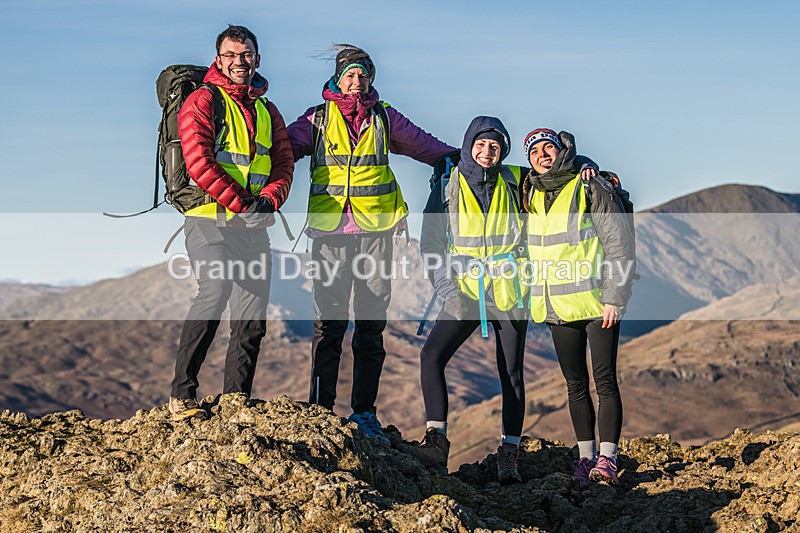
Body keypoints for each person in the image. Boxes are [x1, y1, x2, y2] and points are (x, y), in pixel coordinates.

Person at [287, 44, 455, 439]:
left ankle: (364, 411)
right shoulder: (316, 119)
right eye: (350, 74)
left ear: (371, 79)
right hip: (329, 233)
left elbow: (429, 148)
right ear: (336, 78)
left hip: (377, 233)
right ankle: (321, 408)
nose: (356, 82)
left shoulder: (384, 118)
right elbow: (280, 152)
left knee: (370, 325)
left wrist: (476, 158)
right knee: (328, 325)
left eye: (362, 75)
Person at [168, 25, 294, 420]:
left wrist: (271, 199)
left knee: (252, 317)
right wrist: (243, 206)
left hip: (253, 226)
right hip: (210, 221)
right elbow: (199, 163)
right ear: (219, 59)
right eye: (231, 55)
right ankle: (181, 396)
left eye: (247, 55)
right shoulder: (203, 101)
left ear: (257, 58)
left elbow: (283, 164)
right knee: (215, 291)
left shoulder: (267, 110)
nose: (240, 62)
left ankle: (235, 401)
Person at [409, 116, 529, 483]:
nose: (487, 151)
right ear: (468, 145)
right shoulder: (448, 182)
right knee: (431, 356)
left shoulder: (516, 180)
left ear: (503, 150)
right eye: (481, 144)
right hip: (463, 287)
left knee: (510, 373)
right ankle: (436, 441)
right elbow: (431, 242)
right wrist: (445, 287)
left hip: (509, 289)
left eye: (495, 146)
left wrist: (586, 165)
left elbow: (556, 171)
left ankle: (509, 454)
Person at [521, 128, 634, 485]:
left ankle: (608, 459)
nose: (542, 155)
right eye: (535, 151)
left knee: (605, 383)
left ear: (562, 151)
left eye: (548, 148)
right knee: (575, 385)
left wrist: (616, 296)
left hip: (596, 304)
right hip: (555, 307)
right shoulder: (529, 193)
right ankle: (585, 458)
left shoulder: (589, 185)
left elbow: (619, 243)